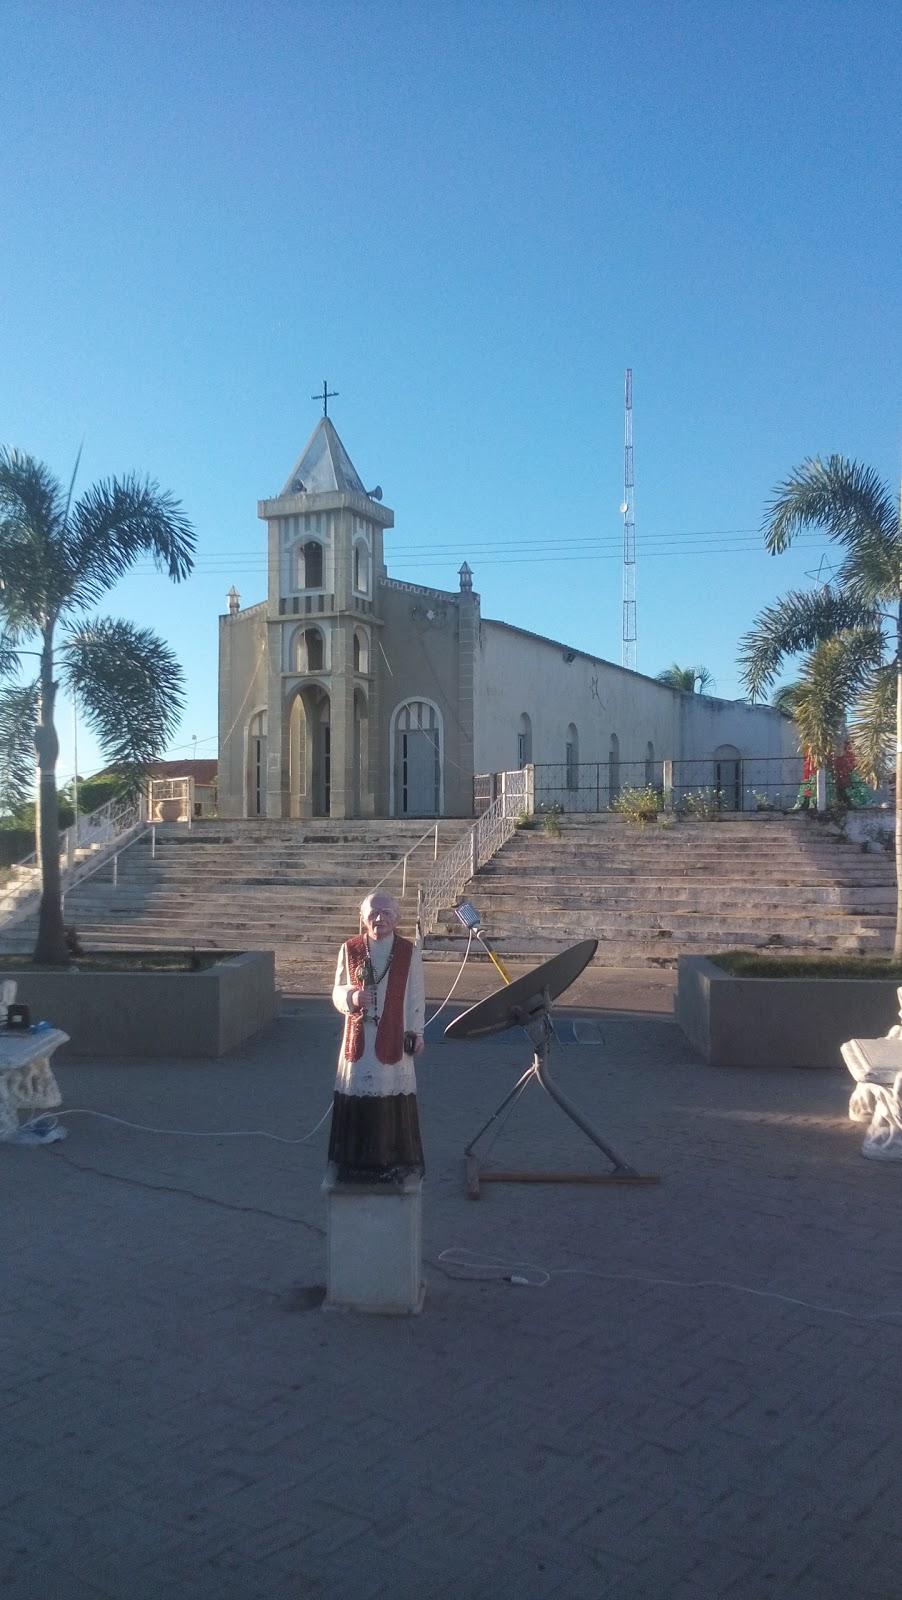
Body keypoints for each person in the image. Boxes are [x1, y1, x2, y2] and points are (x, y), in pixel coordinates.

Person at [329, 890, 426, 1184]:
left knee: (390, 1094)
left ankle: (393, 1159)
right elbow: (336, 991)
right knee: (359, 1094)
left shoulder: (409, 952)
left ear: (396, 918)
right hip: (359, 1039)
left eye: (385, 913)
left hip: (395, 1038)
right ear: (363, 917)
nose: (379, 918)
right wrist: (353, 996)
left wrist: (417, 1032)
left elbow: (416, 997)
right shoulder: (350, 949)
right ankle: (354, 1162)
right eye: (373, 913)